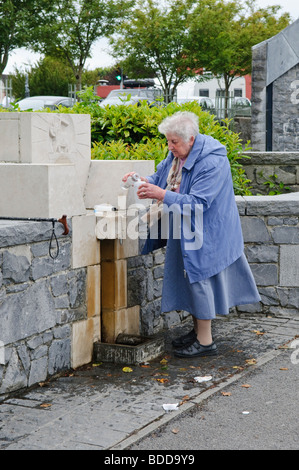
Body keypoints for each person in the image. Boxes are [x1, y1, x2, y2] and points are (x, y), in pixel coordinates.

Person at [122, 111, 261, 358]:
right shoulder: (178, 152)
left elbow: (198, 202)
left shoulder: (212, 160)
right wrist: (142, 181)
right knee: (190, 278)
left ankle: (205, 342)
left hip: (208, 230)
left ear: (191, 139)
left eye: (173, 142)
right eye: (168, 141)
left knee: (200, 278)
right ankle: (198, 333)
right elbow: (162, 176)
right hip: (185, 227)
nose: (170, 146)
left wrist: (161, 194)